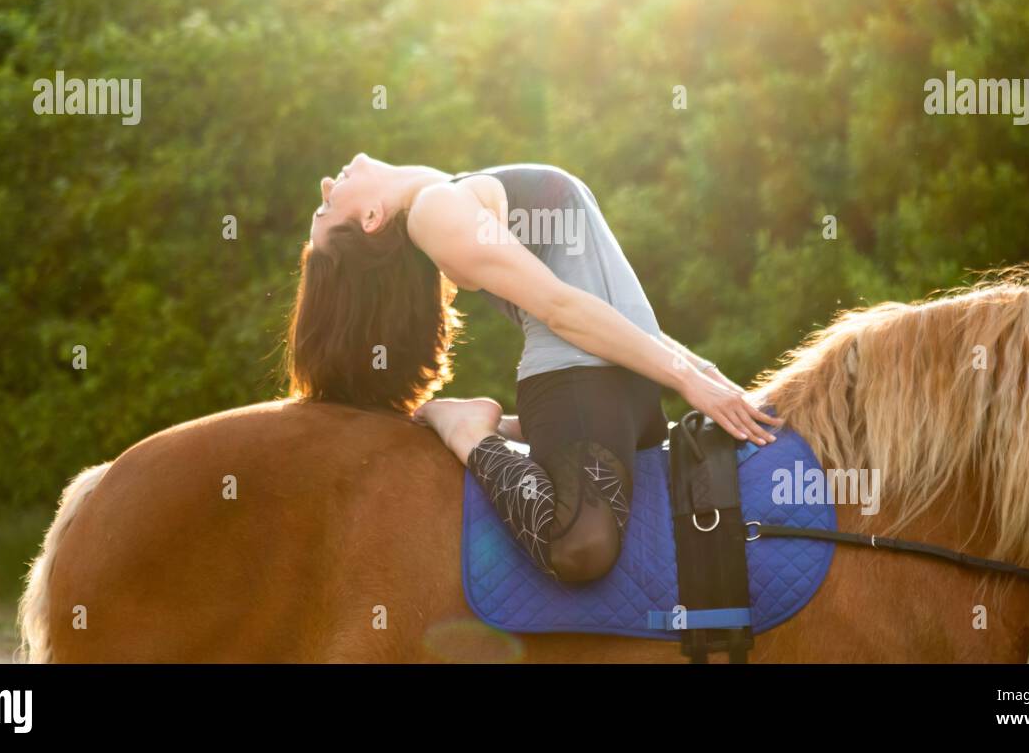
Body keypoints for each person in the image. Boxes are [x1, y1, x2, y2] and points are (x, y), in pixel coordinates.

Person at [288, 153, 778, 583]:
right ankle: (469, 433)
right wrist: (690, 381)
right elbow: (562, 309)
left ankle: (513, 430)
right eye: (326, 207)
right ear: (372, 217)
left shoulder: (450, 195)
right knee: (580, 546)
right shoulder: (435, 211)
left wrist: (713, 379)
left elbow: (620, 313)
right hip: (576, 382)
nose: (327, 185)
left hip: (625, 384)